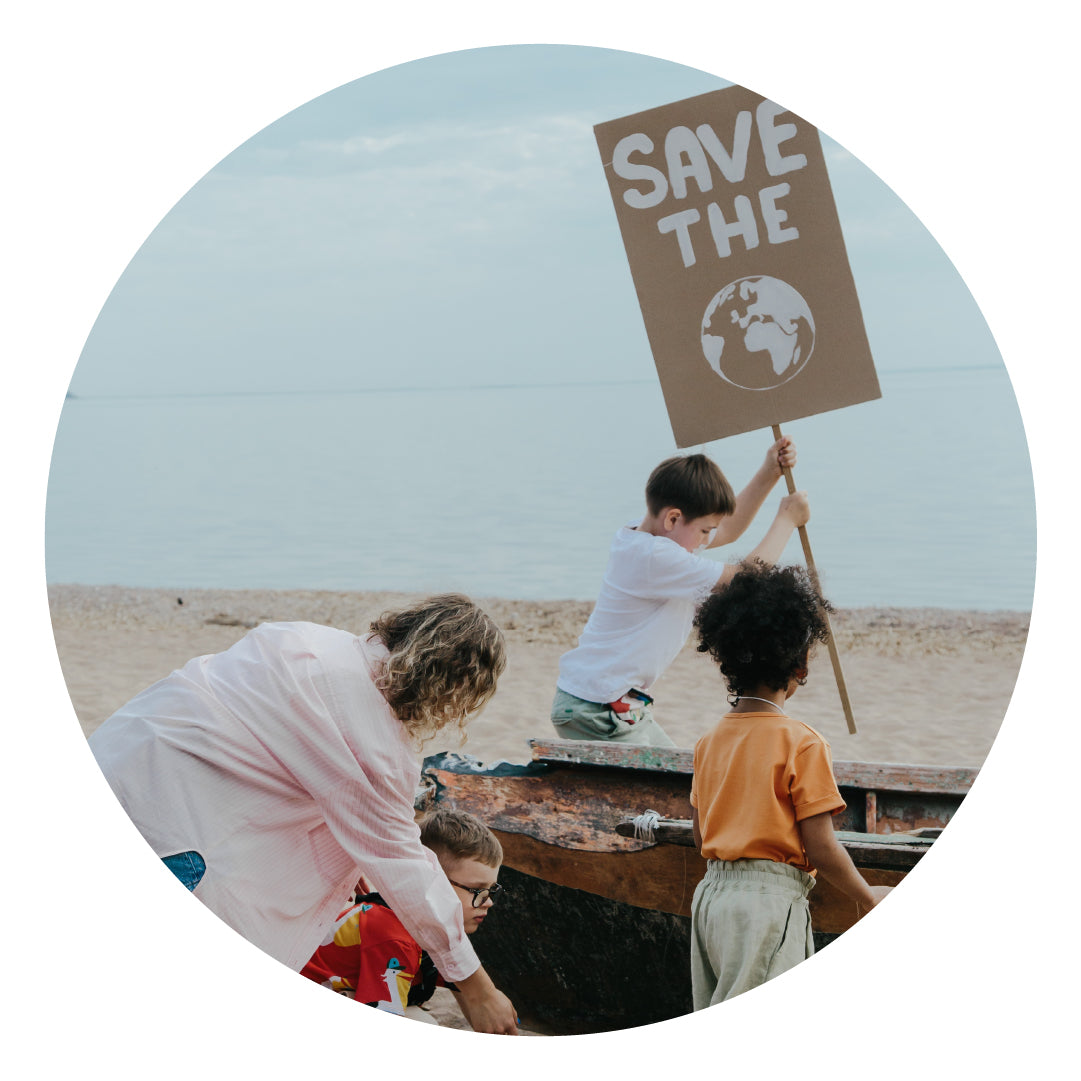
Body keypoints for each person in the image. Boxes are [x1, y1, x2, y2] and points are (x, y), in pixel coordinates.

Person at [88, 593, 519, 1034]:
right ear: (449, 685)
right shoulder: (375, 740)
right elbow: (405, 865)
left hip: (116, 755)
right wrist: (477, 988)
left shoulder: (302, 638)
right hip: (168, 820)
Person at [688, 561, 892, 1007]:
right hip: (769, 903)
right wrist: (866, 895)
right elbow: (819, 845)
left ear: (726, 658)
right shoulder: (802, 743)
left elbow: (702, 834)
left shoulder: (709, 742)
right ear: (800, 664)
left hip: (711, 899)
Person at [551, 438, 809, 747]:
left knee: (684, 774)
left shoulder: (647, 537)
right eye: (702, 531)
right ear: (673, 518)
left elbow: (726, 529)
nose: (705, 541)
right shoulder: (656, 557)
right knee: (674, 783)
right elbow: (742, 577)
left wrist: (770, 473)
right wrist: (786, 521)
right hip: (597, 707)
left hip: (606, 701)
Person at [301, 808, 505, 1027]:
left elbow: (461, 982)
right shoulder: (396, 937)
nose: (488, 901)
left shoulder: (429, 923)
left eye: (491, 890)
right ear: (431, 882)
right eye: (477, 890)